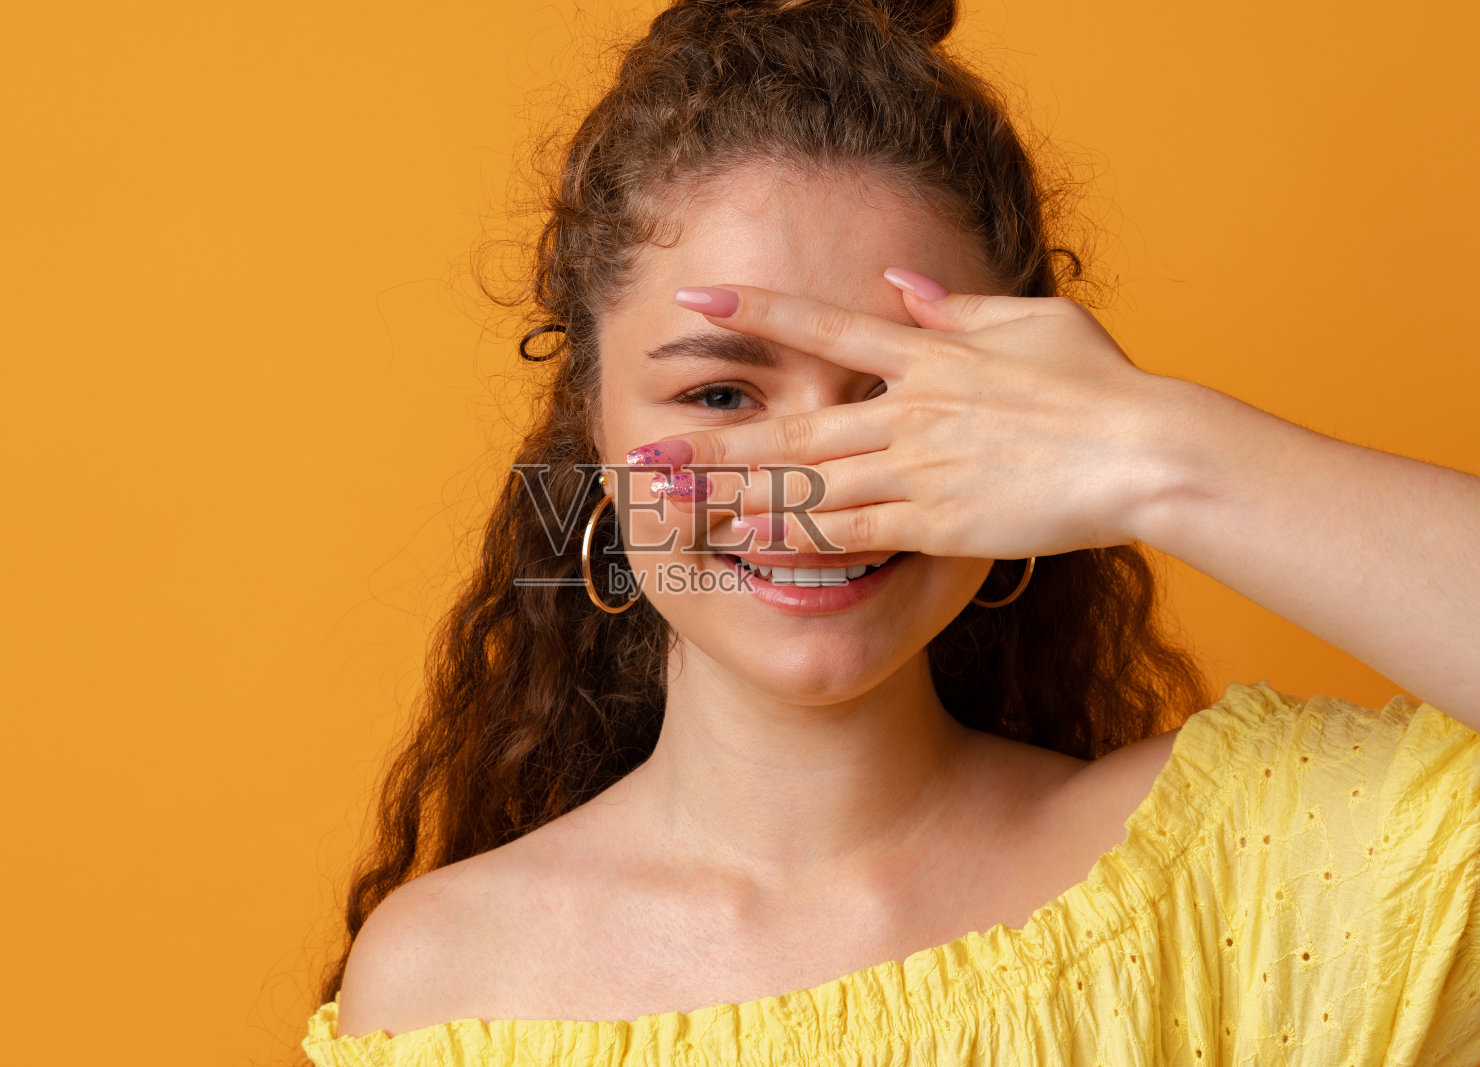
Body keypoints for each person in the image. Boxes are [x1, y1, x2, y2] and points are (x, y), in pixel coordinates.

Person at [299, 0, 1480, 1063]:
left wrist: (1158, 454)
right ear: (592, 437)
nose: (817, 486)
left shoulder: (1244, 872)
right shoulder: (449, 985)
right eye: (719, 396)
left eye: (894, 395)